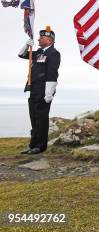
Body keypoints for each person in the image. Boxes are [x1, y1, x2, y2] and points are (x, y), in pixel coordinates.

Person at [17, 26, 61, 155]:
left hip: (44, 91)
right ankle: (33, 145)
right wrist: (26, 44)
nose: (38, 39)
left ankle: (41, 146)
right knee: (34, 118)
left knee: (41, 119)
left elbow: (52, 73)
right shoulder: (38, 53)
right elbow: (21, 54)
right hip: (33, 89)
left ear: (50, 40)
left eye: (41, 38)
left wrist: (49, 93)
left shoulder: (53, 53)